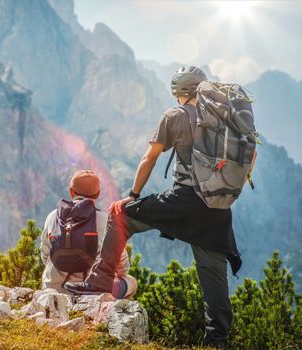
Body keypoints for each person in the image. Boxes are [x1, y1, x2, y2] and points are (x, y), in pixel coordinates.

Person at [64, 66, 256, 348]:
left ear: (178, 92)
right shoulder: (224, 119)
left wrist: (134, 193)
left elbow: (149, 157)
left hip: (183, 201)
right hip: (218, 209)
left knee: (121, 215)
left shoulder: (174, 116)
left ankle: (99, 282)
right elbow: (249, 157)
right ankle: (217, 341)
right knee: (213, 277)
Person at [40, 169, 137, 299]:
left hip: (52, 290)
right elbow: (122, 267)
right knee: (131, 282)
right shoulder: (106, 220)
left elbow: (45, 256)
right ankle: (108, 314)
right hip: (90, 292)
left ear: (71, 191)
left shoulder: (52, 217)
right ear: (98, 194)